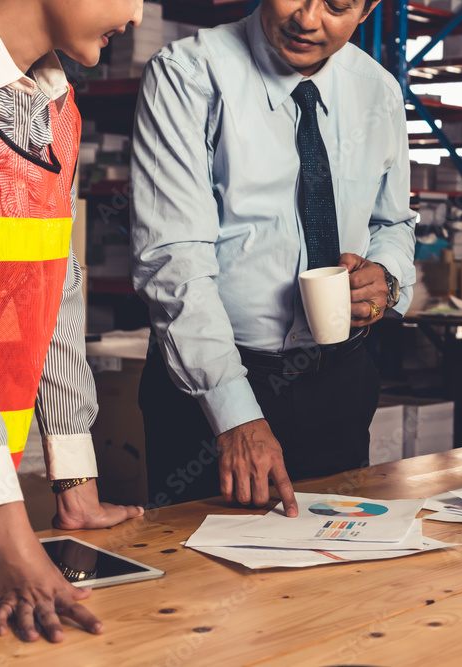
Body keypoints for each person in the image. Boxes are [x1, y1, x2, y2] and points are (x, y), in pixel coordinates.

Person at [131, 0, 415, 513]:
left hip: (339, 383)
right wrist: (235, 414)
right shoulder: (188, 74)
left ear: (369, 8)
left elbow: (390, 223)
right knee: (200, 578)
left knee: (339, 572)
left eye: (337, 5)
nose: (307, 19)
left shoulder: (380, 91)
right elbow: (174, 259)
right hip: (211, 391)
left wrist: (388, 278)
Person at [0, 0, 145, 642]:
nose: (135, 16)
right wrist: (8, 528)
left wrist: (73, 479)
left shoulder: (57, 110)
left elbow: (53, 292)